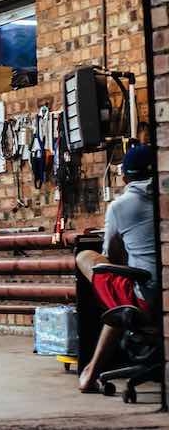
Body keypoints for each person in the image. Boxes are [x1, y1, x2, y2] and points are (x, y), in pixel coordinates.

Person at [75, 144, 157, 392]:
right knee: (124, 300)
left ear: (125, 176)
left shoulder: (121, 207)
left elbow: (113, 256)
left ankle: (91, 372)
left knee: (87, 257)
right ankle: (91, 371)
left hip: (149, 301)